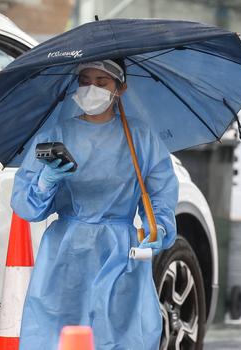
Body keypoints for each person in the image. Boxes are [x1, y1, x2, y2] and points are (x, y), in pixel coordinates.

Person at [10, 58, 179, 349]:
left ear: (120, 89)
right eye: (85, 81)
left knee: (118, 333)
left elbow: (160, 193)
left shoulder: (140, 138)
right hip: (66, 254)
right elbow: (26, 206)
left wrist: (158, 228)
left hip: (119, 251)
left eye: (102, 83)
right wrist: (45, 182)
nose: (91, 89)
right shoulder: (55, 136)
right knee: (58, 334)